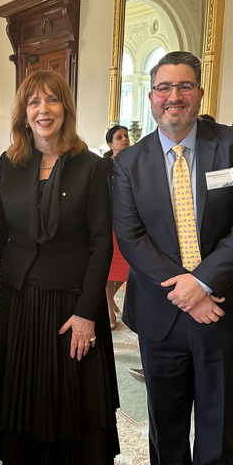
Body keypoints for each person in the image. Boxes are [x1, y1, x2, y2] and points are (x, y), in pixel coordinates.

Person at [112, 51, 233, 465]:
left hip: (222, 308)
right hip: (161, 313)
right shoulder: (129, 161)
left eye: (184, 87)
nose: (173, 97)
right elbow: (131, 235)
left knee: (219, 416)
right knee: (166, 415)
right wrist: (182, 291)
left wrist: (202, 284)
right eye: (164, 88)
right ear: (151, 95)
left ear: (200, 93)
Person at [0, 70, 120, 465]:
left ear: (66, 108)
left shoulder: (92, 165)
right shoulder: (11, 163)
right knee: (30, 392)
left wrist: (88, 313)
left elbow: (102, 242)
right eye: (33, 102)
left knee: (72, 398)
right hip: (20, 298)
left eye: (51, 101)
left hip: (70, 302)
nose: (42, 110)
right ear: (23, 113)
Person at [102, 124, 131, 329]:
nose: (125, 139)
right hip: (107, 222)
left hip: (127, 222)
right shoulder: (103, 165)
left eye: (126, 136)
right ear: (110, 143)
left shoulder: (134, 162)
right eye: (119, 137)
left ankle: (110, 301)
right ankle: (108, 313)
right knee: (107, 271)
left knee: (128, 269)